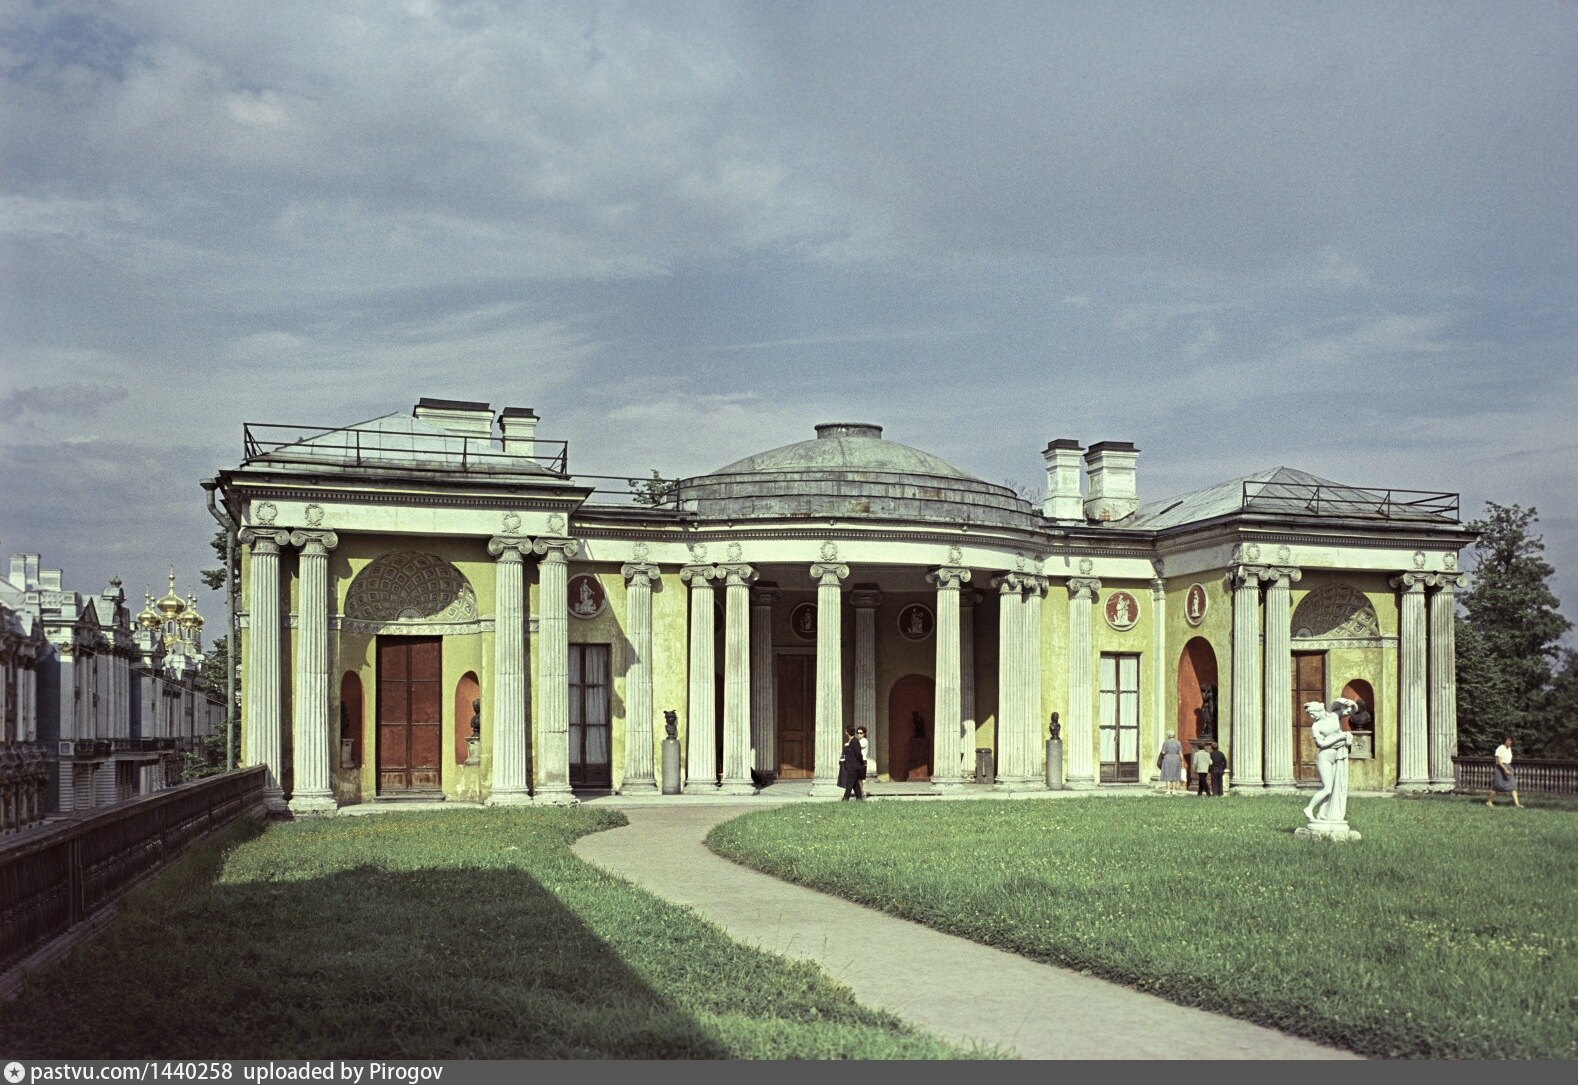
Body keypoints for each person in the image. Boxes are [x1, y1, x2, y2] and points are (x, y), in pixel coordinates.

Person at [1303, 699, 1354, 823]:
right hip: (1325, 758)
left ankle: (1322, 813)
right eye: (1310, 714)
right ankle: (1308, 808)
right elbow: (1320, 744)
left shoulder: (1334, 716)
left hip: (1337, 756)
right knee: (1328, 788)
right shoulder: (1316, 726)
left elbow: (1351, 711)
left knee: (1334, 787)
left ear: (1319, 710)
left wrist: (1350, 703)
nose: (1311, 716)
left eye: (1312, 713)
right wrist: (1339, 737)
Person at [1487, 735, 1523, 808]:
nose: (1510, 742)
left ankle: (1517, 804)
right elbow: (1499, 761)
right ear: (1505, 741)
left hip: (1508, 767)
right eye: (1508, 741)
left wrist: (1509, 768)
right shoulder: (1500, 748)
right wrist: (1505, 769)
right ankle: (1489, 801)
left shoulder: (1509, 748)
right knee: (1497, 786)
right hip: (1500, 768)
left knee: (1513, 786)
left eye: (1511, 741)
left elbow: (1508, 760)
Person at [838, 726, 866, 801]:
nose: (845, 732)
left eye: (845, 731)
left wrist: (862, 763)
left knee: (850, 783)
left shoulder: (855, 741)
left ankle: (845, 799)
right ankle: (859, 798)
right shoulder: (850, 741)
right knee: (855, 783)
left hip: (854, 766)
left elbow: (858, 754)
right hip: (850, 766)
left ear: (847, 732)